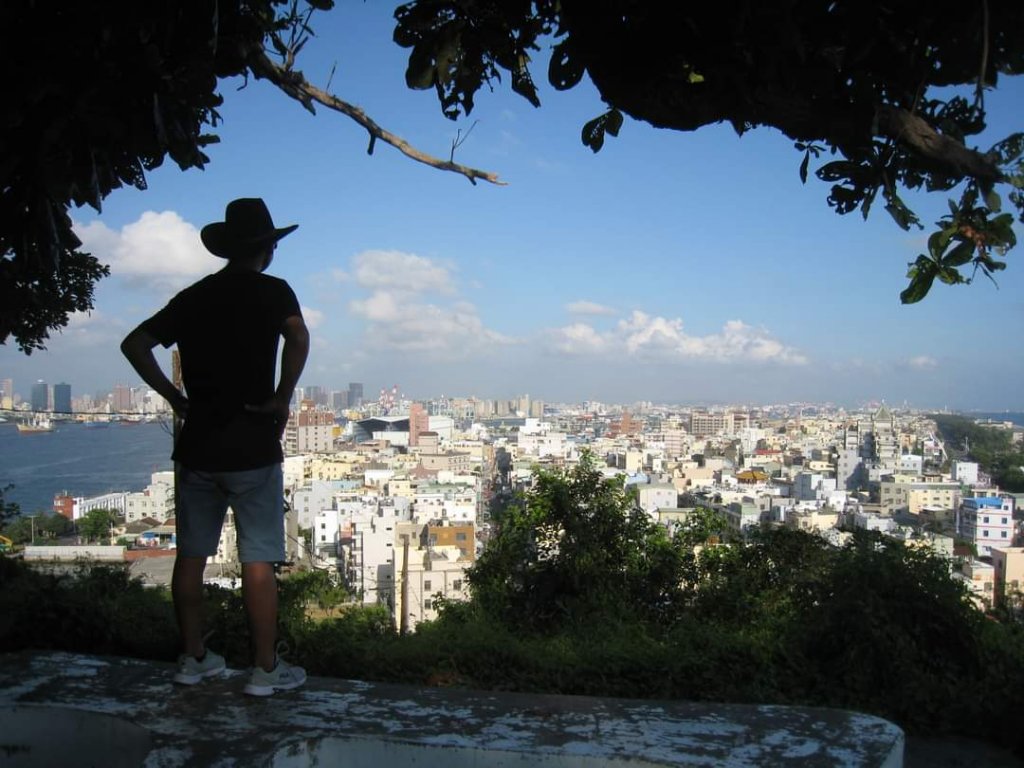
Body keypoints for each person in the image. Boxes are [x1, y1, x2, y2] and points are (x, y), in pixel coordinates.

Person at [121, 197, 310, 696]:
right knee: (259, 560)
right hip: (253, 445)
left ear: (227, 247)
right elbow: (298, 336)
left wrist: (173, 397)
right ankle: (264, 671)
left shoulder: (194, 296)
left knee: (192, 556)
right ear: (267, 249)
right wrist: (282, 397)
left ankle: (193, 658)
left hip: (198, 445)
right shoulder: (274, 292)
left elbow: (134, 343)